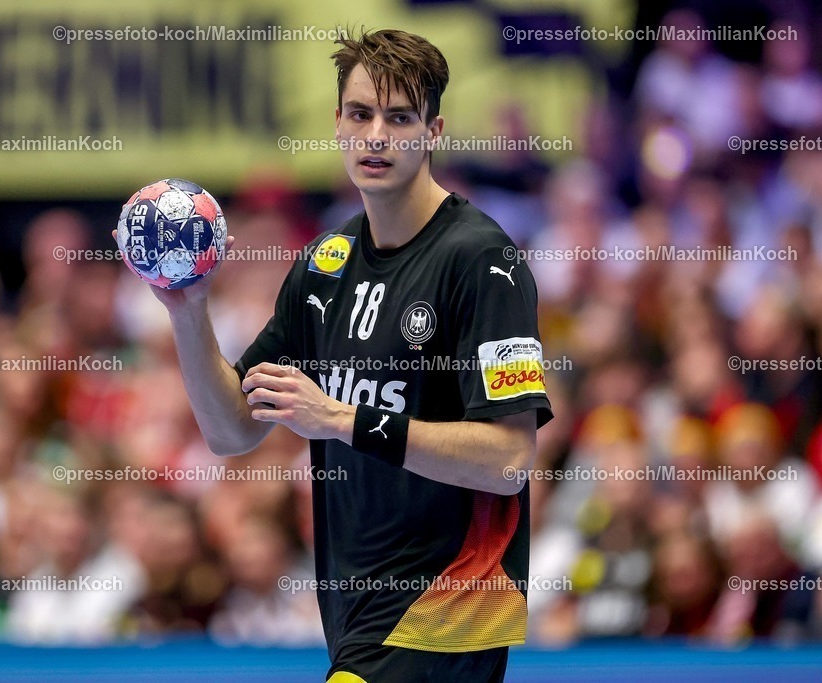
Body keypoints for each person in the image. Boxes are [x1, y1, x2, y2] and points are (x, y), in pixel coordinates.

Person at [118, 28, 552, 683]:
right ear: (338, 125)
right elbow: (231, 429)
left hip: (447, 616)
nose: (376, 135)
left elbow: (510, 460)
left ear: (433, 131)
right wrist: (187, 309)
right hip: (354, 621)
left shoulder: (483, 261)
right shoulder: (326, 264)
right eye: (360, 114)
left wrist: (342, 419)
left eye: (399, 118)